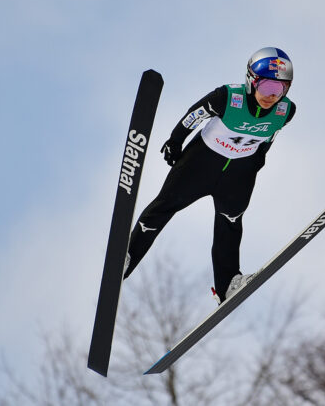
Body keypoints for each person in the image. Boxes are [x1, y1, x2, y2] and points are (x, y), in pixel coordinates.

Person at [123, 47, 296, 304]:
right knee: (163, 207)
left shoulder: (286, 111)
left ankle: (228, 285)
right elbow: (193, 116)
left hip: (238, 173)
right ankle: (126, 257)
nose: (272, 96)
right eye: (267, 87)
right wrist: (175, 142)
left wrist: (257, 161)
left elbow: (269, 137)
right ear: (251, 81)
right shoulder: (227, 96)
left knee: (231, 222)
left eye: (280, 89)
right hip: (200, 164)